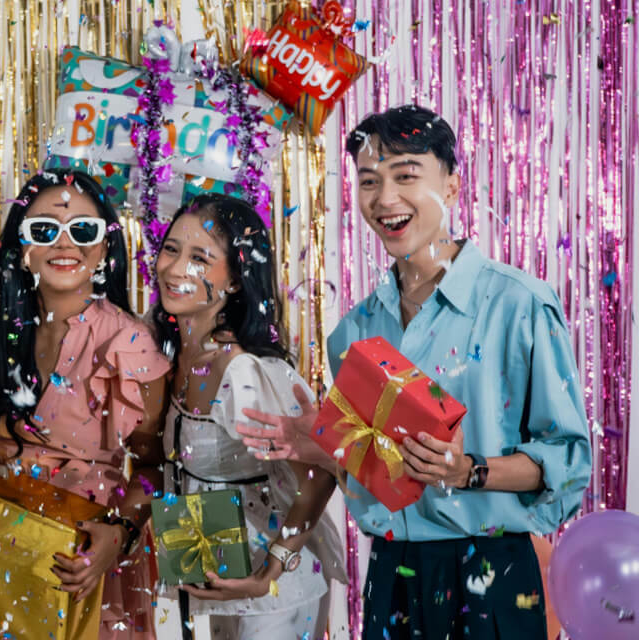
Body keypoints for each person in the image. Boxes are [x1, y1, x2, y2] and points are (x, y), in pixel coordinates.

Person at [237, 105, 593, 639]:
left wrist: (468, 470)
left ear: (451, 185)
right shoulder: (355, 332)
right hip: (393, 576)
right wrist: (325, 443)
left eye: (406, 175)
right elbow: (377, 474)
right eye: (368, 181)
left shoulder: (518, 304)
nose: (385, 199)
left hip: (492, 573)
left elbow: (568, 460)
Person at [0, 169, 171, 639]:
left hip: (79, 571)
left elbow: (154, 466)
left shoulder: (129, 344)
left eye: (84, 230)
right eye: (45, 230)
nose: (65, 244)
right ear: (21, 246)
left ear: (104, 247)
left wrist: (121, 533)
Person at [148, 193, 344, 640]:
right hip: (214, 579)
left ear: (235, 280)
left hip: (274, 596)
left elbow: (320, 474)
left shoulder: (245, 373)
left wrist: (274, 566)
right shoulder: (167, 351)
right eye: (172, 249)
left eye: (200, 257)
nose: (177, 269)